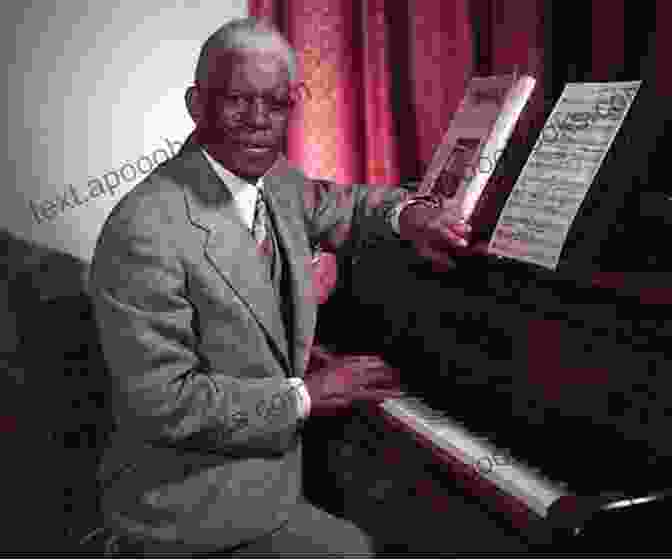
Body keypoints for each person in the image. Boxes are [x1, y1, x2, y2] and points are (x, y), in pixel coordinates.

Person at [88, 16, 471, 557]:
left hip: (273, 471)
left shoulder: (276, 182)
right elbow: (163, 403)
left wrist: (408, 215)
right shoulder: (144, 228)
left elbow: (346, 206)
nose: (258, 121)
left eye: (276, 103)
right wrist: (309, 394)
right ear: (197, 105)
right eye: (237, 100)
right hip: (184, 506)